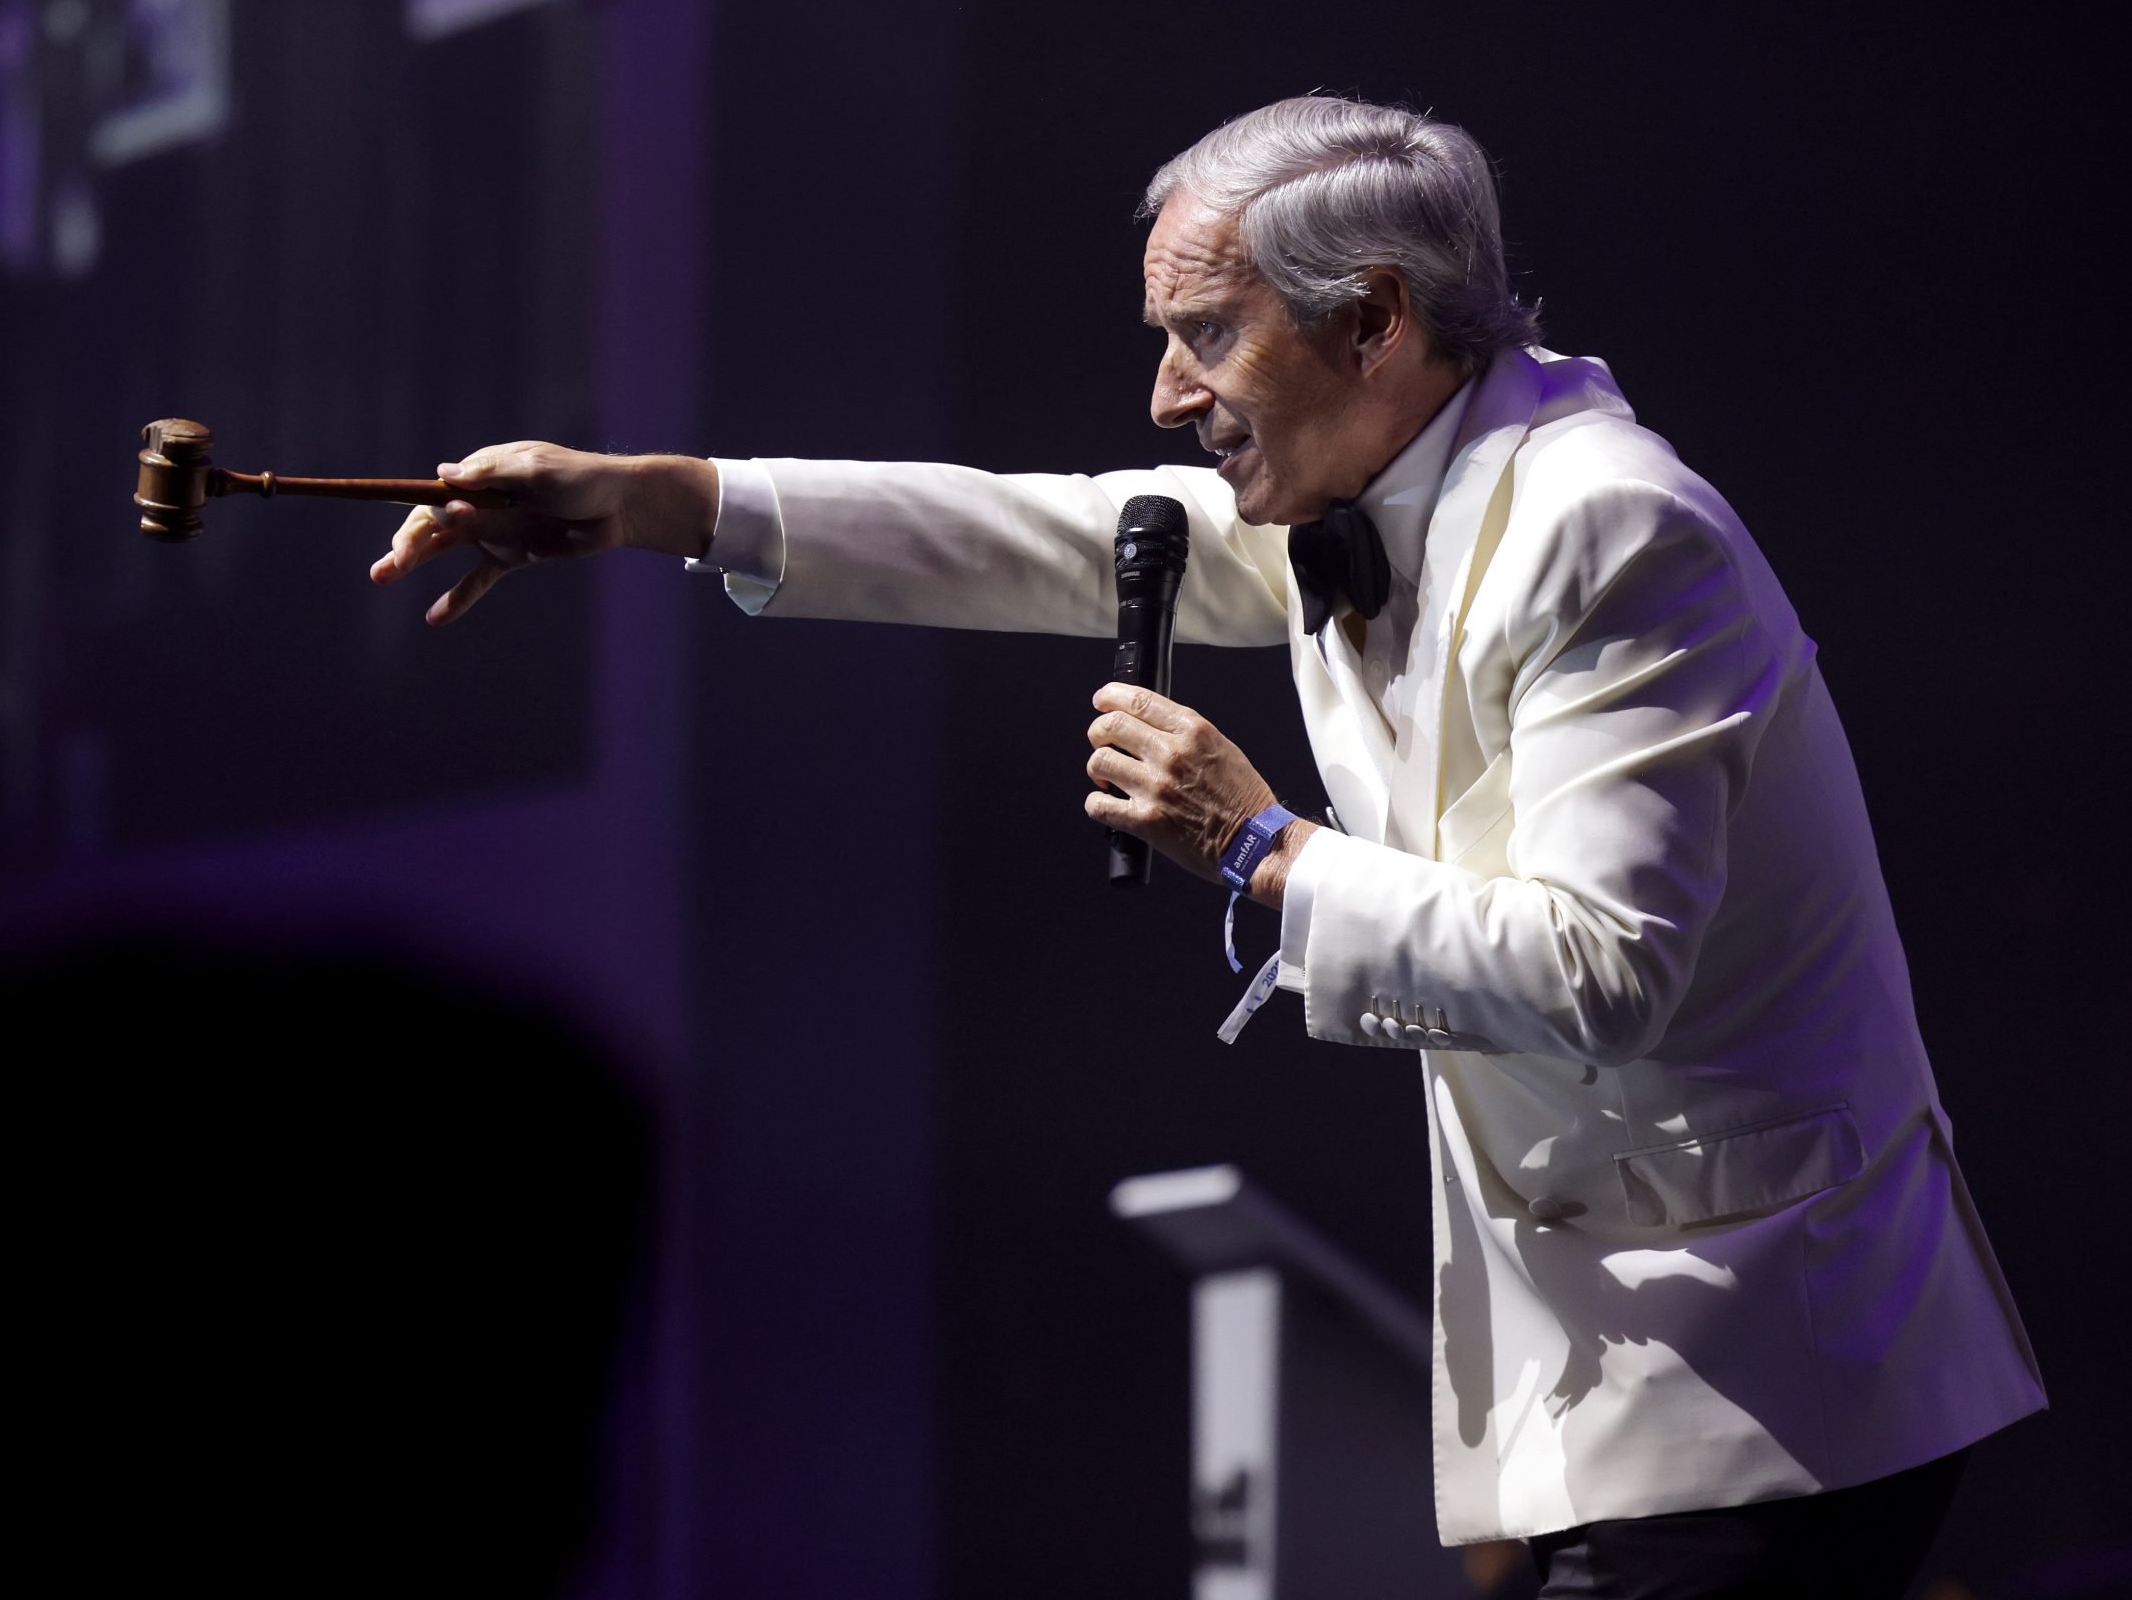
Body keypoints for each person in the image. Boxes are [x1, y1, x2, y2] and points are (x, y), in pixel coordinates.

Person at [369, 96, 2044, 1597]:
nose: (1167, 391)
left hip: (1778, 1354)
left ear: (1374, 319)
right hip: (1637, 1372)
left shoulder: (1605, 524)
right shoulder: (1367, 484)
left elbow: (1605, 970)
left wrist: (1259, 847)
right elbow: (1039, 532)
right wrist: (649, 497)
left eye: (1207, 336)